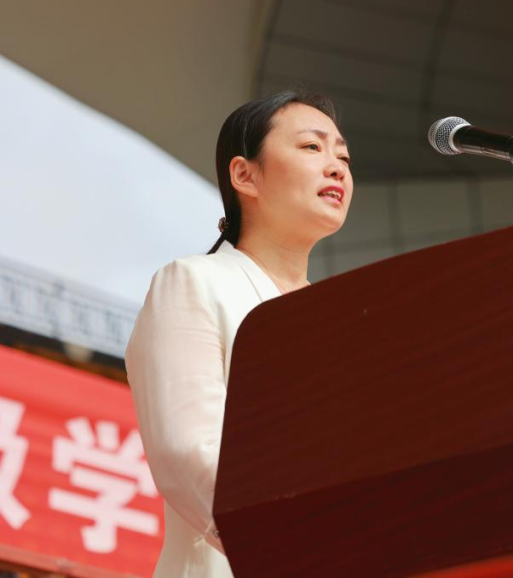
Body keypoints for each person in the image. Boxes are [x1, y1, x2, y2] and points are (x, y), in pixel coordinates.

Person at [125, 91, 352, 576]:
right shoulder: (193, 282)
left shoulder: (344, 321)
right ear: (244, 175)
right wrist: (303, 546)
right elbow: (189, 453)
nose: (336, 167)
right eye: (312, 147)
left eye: (343, 157)